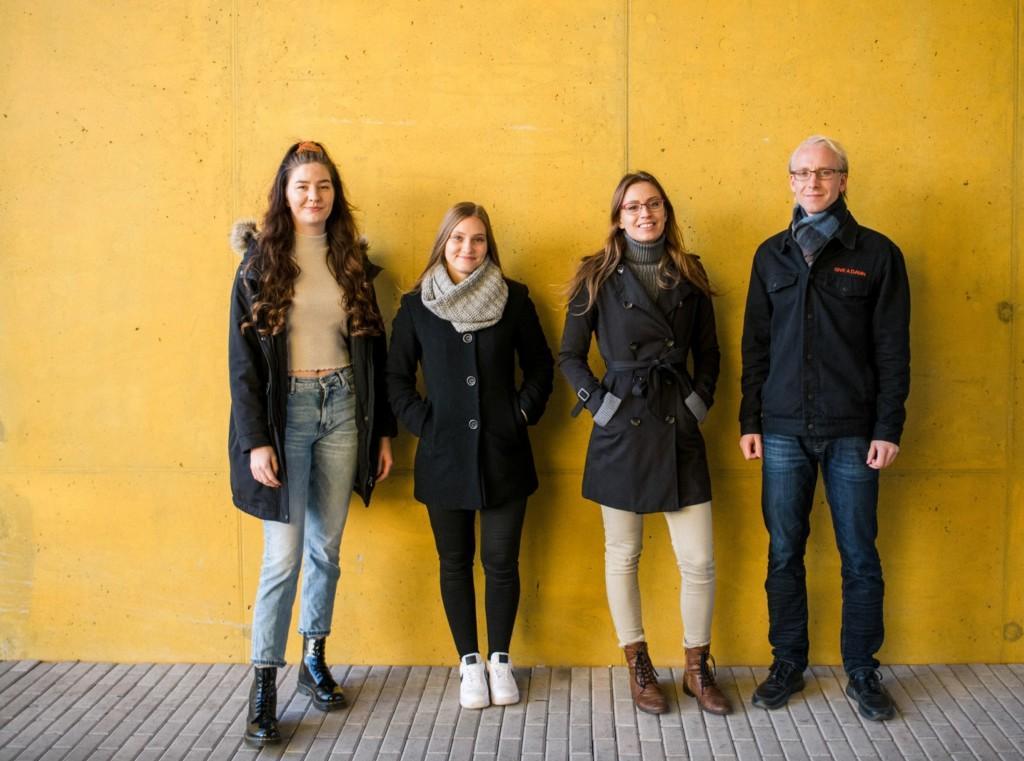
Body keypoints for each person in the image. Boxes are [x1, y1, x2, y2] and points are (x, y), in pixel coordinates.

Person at [227, 141, 396, 746]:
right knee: (283, 556)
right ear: (285, 193)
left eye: (323, 186)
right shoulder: (257, 265)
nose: (313, 196)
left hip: (344, 408)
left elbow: (373, 353)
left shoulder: (353, 261)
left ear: (334, 195)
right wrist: (255, 441)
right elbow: (243, 365)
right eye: (302, 187)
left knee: (326, 547)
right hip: (286, 417)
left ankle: (314, 659)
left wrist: (380, 430)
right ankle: (265, 681)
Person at [739, 135, 911, 721]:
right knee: (784, 551)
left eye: (825, 173)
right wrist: (749, 421)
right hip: (782, 429)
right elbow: (755, 347)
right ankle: (787, 662)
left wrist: (888, 427)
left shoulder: (878, 254)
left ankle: (862, 671)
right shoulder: (770, 256)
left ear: (843, 180)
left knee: (859, 554)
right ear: (789, 181)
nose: (812, 183)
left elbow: (893, 350)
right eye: (802, 173)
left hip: (855, 432)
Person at [559, 172, 731, 715]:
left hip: (675, 422)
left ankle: (697, 668)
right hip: (623, 424)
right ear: (618, 216)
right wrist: (602, 405)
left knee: (699, 561)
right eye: (632, 206)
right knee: (623, 554)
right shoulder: (596, 275)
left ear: (666, 211)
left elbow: (711, 353)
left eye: (653, 204)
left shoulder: (689, 271)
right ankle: (639, 664)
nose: (644, 214)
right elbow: (568, 355)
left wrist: (697, 404)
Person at [387, 202, 553, 710]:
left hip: (504, 453)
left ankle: (501, 659)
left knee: (501, 562)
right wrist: (425, 425)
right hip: (443, 457)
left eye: (477, 239)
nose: (467, 248)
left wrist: (519, 414)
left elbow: (542, 369)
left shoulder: (515, 299)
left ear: (489, 245)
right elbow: (396, 380)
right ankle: (470, 663)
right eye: (457, 239)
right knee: (454, 562)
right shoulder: (417, 307)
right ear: (443, 244)